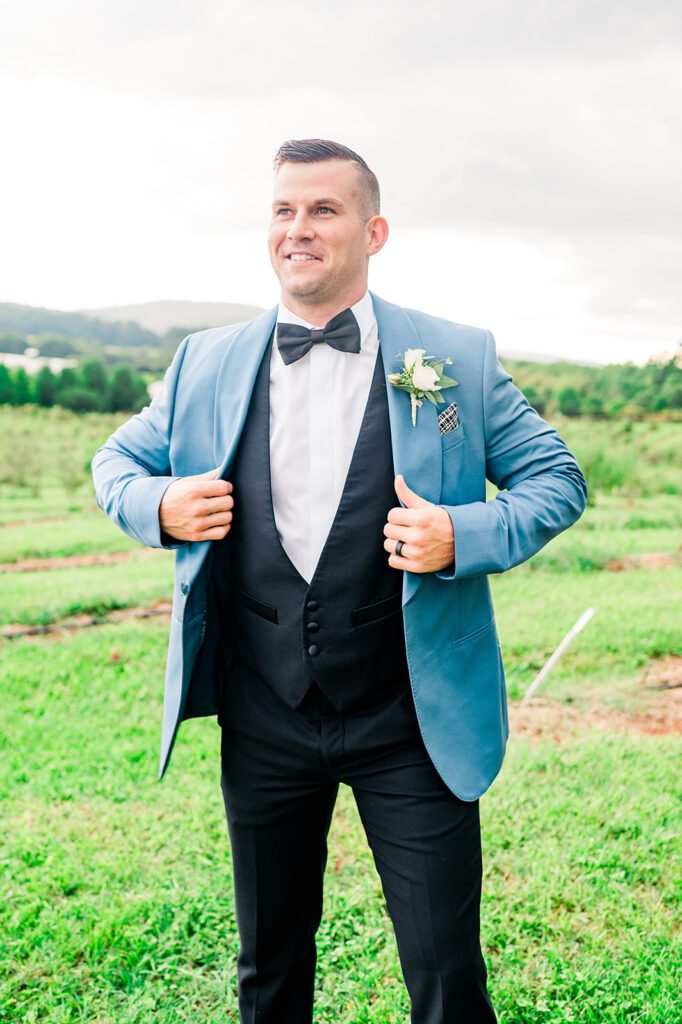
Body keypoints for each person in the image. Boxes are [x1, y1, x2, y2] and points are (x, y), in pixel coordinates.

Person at [91, 137, 587, 1023]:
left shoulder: (451, 362)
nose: (298, 229)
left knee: (444, 974)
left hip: (412, 720)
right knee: (268, 967)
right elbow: (116, 463)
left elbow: (558, 480)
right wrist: (158, 503)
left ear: (374, 229)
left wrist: (459, 532)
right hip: (263, 715)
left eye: (324, 209)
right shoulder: (203, 360)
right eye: (283, 209)